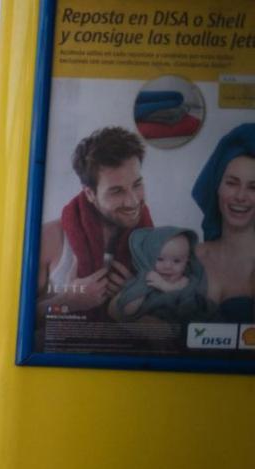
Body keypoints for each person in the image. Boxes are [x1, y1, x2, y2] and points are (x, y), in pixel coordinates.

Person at [38, 126, 152, 316]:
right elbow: (17, 318)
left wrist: (135, 298)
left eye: (137, 184)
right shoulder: (51, 238)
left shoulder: (159, 244)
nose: (133, 201)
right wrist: (68, 302)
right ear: (90, 193)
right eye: (117, 191)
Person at [192, 124, 255, 323]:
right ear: (216, 187)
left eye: (253, 187)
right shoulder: (189, 257)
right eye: (231, 183)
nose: (240, 196)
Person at [107, 227, 209, 322]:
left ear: (187, 261)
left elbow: (192, 308)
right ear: (148, 258)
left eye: (177, 261)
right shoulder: (144, 279)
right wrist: (142, 286)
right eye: (160, 259)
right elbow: (126, 310)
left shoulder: (186, 282)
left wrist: (166, 286)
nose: (168, 266)